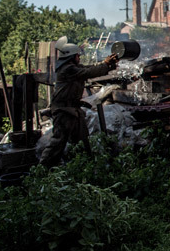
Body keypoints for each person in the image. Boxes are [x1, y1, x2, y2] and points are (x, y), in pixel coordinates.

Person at [39, 37, 119, 167]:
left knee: (82, 142)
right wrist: (105, 64)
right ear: (71, 56)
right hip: (64, 111)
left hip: (73, 110)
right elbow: (88, 72)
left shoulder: (72, 67)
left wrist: (109, 65)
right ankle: (43, 168)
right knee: (57, 143)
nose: (79, 57)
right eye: (77, 55)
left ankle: (84, 167)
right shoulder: (67, 69)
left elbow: (89, 68)